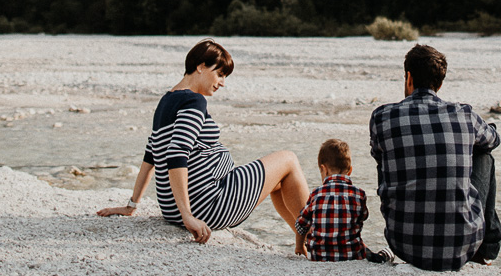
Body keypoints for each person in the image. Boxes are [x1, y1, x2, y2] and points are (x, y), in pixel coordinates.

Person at [97, 39, 310, 253]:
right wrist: (188, 215)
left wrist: (131, 205)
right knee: (289, 159)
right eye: (220, 74)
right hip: (209, 205)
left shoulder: (166, 101)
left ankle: (303, 240)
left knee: (279, 182)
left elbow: (150, 157)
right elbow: (176, 155)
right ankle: (317, 238)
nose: (222, 83)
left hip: (174, 209)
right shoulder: (194, 101)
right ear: (200, 67)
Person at [369, 43, 501, 271]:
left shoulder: (382, 117)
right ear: (439, 84)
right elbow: (494, 140)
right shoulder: (464, 115)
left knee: (385, 157)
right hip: (462, 246)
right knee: (484, 155)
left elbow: (378, 158)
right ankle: (487, 248)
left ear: (408, 78)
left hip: (404, 244)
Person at [294, 138, 391, 263]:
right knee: (383, 255)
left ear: (324, 169)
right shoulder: (359, 194)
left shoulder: (316, 194)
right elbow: (363, 217)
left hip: (318, 256)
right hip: (352, 256)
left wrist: (299, 246)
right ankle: (388, 252)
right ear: (350, 170)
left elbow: (301, 225)